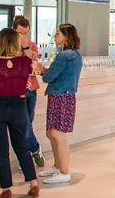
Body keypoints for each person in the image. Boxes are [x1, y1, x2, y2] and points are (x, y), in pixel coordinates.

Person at [0, 28, 41, 198]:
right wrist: (25, 43)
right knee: (22, 146)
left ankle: (6, 189)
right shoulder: (24, 62)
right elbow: (34, 59)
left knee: (1, 151)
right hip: (18, 106)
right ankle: (33, 184)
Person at [33, 24, 83, 185]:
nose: (55, 36)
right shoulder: (76, 54)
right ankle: (57, 166)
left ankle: (64, 171)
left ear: (66, 36)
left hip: (60, 97)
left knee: (57, 135)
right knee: (51, 133)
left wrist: (41, 68)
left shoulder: (64, 56)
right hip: (65, 96)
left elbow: (48, 78)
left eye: (58, 33)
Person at [13, 16, 46, 169]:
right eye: (20, 33)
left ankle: (25, 156)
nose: (22, 37)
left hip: (30, 88)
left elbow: (32, 63)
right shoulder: (7, 45)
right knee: (23, 124)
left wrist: (26, 46)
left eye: (25, 33)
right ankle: (34, 149)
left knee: (27, 123)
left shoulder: (31, 45)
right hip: (13, 90)